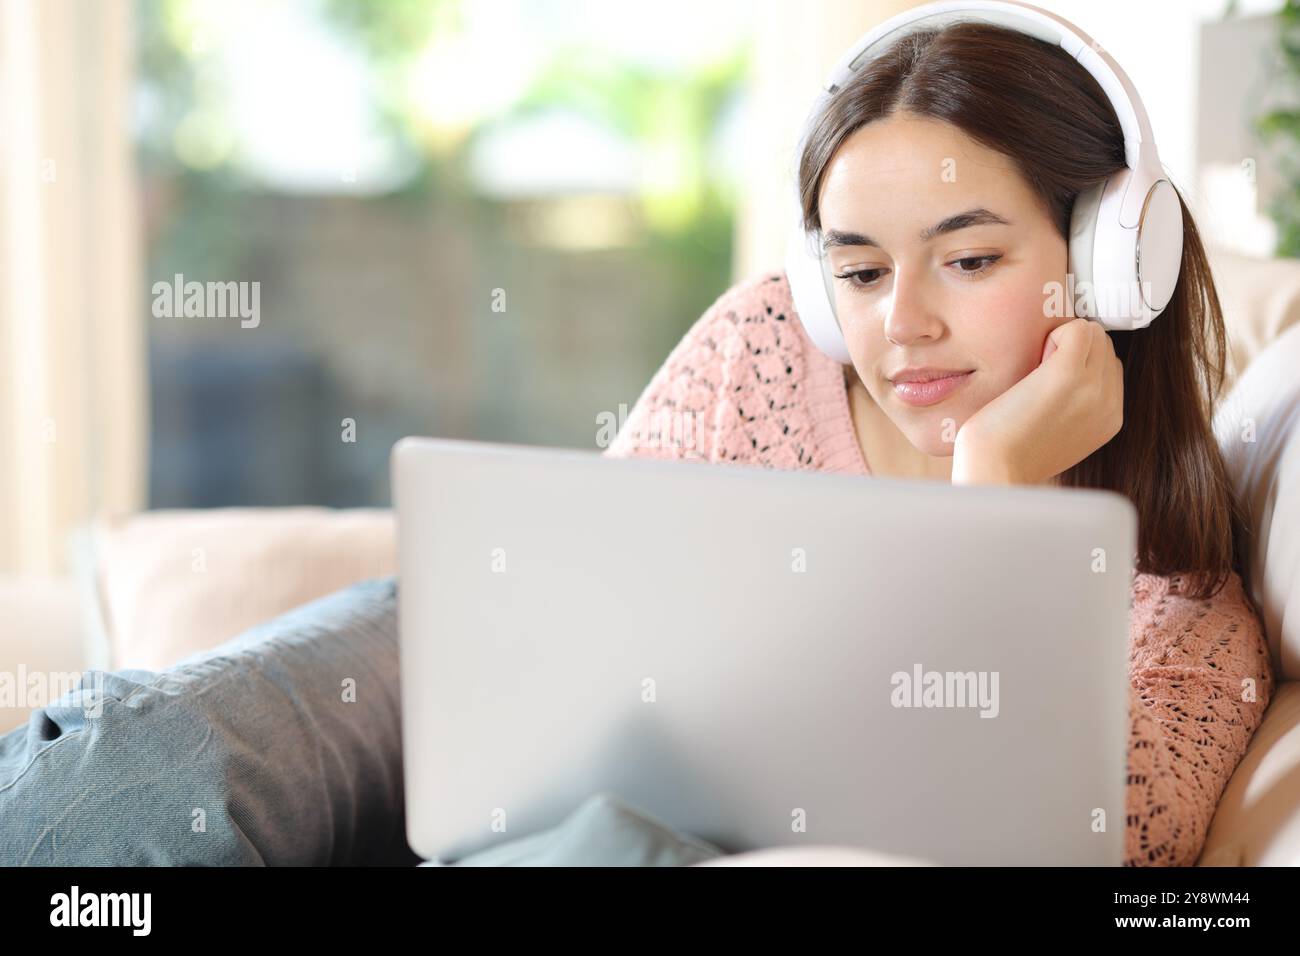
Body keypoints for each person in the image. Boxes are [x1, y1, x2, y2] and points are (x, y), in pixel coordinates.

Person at [0, 20, 1275, 867]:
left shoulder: (1185, 625)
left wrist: (995, 504)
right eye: (862, 269)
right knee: (122, 769)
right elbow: (576, 604)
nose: (902, 324)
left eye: (972, 257)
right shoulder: (775, 339)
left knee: (607, 849)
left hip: (646, 821)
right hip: (491, 682)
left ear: (1116, 262)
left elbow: (1013, 845)